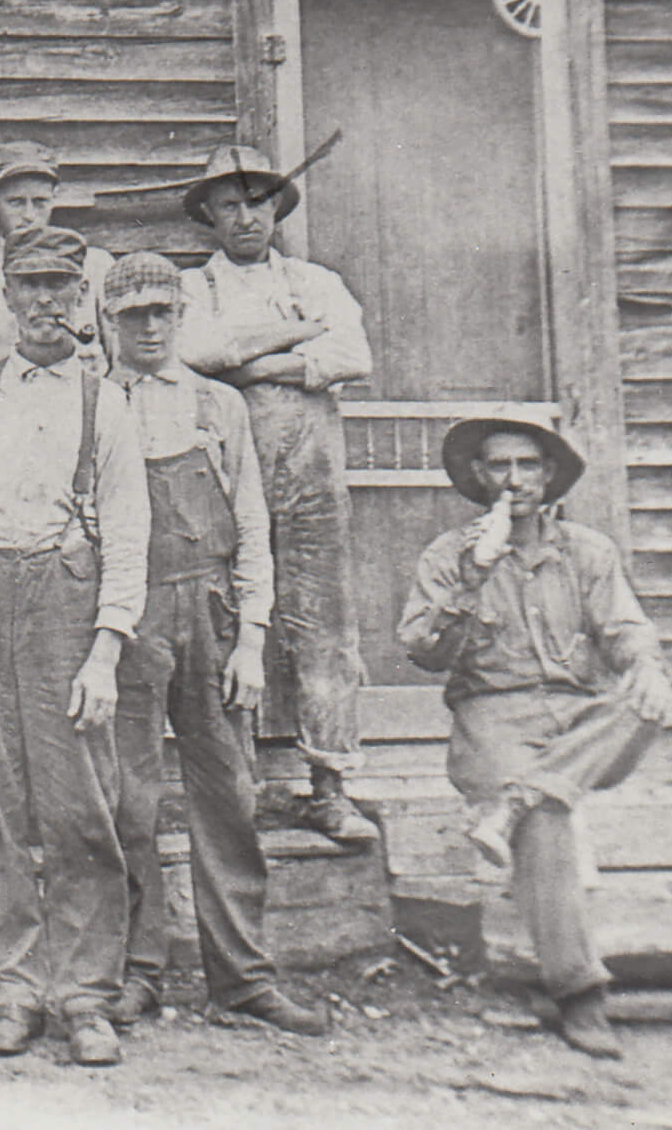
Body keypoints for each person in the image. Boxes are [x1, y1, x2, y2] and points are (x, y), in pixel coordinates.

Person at [0, 225, 150, 1067]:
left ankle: (85, 995)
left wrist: (107, 649)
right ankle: (13, 985)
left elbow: (128, 529)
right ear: (5, 299)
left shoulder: (103, 398)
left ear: (80, 298)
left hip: (65, 603)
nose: (45, 302)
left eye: (60, 287)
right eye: (30, 287)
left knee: (80, 804)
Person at [398, 416, 672, 1059]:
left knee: (645, 700)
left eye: (527, 465)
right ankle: (580, 995)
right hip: (496, 719)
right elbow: (422, 652)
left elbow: (625, 631)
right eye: (499, 466)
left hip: (581, 721)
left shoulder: (586, 551)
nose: (514, 479)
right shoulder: (448, 555)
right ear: (477, 476)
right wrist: (473, 574)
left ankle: (515, 803)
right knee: (547, 818)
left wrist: (648, 666)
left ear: (549, 477)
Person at [102, 253, 328, 1036]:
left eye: (162, 311)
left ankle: (242, 980)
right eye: (134, 315)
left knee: (228, 795)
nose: (150, 326)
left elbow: (254, 525)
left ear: (181, 317)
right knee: (127, 798)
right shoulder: (94, 404)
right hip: (124, 616)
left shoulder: (216, 403)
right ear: (110, 322)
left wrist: (251, 638)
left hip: (213, 610)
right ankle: (137, 972)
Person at [176, 146, 379, 847]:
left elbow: (352, 356)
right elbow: (199, 352)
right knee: (231, 625)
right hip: (230, 478)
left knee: (324, 626)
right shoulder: (193, 289)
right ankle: (242, 787)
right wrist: (298, 343)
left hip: (313, 478)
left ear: (275, 209)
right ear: (207, 215)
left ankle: (329, 785)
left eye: (256, 202)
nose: (244, 217)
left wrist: (252, 362)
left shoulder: (319, 281)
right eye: (228, 205)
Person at [0, 141, 113, 368]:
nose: (28, 215)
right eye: (16, 203)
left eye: (40, 202)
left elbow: (119, 355)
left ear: (55, 197)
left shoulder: (96, 265)